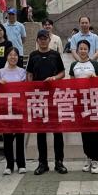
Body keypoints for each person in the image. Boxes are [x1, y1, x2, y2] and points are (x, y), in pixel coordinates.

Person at [27, 29, 67, 174]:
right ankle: (42, 163)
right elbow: (29, 74)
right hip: (39, 98)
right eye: (40, 38)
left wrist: (54, 78)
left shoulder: (55, 55)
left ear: (49, 40)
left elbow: (63, 73)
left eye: (45, 38)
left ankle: (59, 162)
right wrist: (30, 88)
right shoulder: (33, 55)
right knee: (41, 132)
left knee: (57, 131)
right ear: (37, 40)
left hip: (54, 97)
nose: (43, 41)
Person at [69, 40, 98, 174]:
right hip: (81, 103)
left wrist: (94, 78)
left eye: (85, 49)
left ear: (88, 50)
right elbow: (71, 84)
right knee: (84, 132)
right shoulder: (74, 65)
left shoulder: (95, 64)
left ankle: (96, 160)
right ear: (77, 50)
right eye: (81, 49)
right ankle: (88, 157)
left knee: (95, 132)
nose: (83, 51)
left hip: (94, 102)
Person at [0, 48, 27, 174]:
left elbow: (24, 89)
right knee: (7, 138)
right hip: (5, 108)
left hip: (18, 108)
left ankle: (21, 164)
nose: (13, 57)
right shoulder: (1, 72)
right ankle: (9, 165)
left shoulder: (22, 71)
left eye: (15, 55)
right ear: (6, 57)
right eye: (10, 55)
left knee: (20, 137)